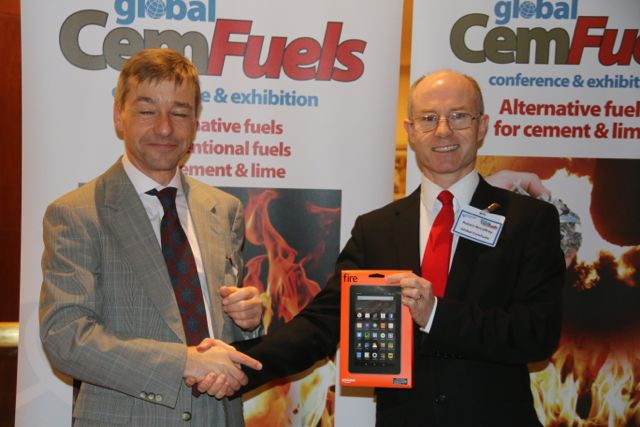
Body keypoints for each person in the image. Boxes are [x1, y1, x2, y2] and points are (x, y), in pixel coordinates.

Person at [201, 69, 566, 426]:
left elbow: (537, 333)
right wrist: (235, 362)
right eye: (428, 118)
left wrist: (436, 314)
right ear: (411, 131)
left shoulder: (528, 219)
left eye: (458, 116)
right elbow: (321, 324)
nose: (443, 131)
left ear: (482, 126)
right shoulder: (376, 229)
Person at [39, 48, 264, 427]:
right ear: (119, 116)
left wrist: (248, 322)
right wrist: (183, 362)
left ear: (195, 123)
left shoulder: (224, 209)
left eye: (179, 112)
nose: (164, 128)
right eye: (147, 111)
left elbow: (222, 331)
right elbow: (65, 338)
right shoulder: (76, 213)